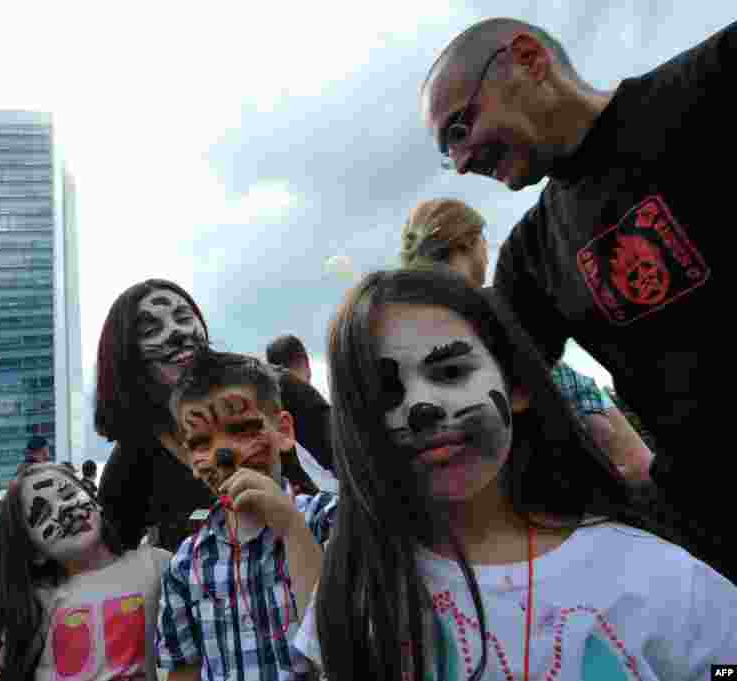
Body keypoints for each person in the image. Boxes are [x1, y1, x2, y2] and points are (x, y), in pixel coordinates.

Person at [293, 268, 737, 681]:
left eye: (450, 372)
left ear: (517, 385)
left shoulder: (655, 577)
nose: (421, 408)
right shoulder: (358, 589)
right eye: (383, 390)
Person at [421, 17, 731, 574]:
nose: (462, 163)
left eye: (460, 128)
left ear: (528, 59)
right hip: (713, 537)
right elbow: (495, 384)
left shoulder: (711, 84)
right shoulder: (532, 258)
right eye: (450, 151)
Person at [400, 197, 654, 484]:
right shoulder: (500, 306)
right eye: (483, 240)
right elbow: (637, 463)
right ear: (469, 242)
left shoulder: (408, 327)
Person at [94, 279, 332, 553]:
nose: (176, 332)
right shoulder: (134, 459)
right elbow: (109, 556)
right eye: (151, 329)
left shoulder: (273, 386)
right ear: (126, 354)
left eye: (183, 317)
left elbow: (359, 461)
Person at [157, 349, 336, 681]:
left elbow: (342, 648)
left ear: (283, 432)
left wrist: (290, 526)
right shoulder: (185, 566)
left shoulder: (331, 524)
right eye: (201, 441)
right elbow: (184, 672)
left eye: (240, 429)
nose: (223, 454)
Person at [0, 462, 171, 681]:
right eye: (42, 514)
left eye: (67, 493)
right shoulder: (35, 601)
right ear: (35, 552)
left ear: (94, 501)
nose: (63, 509)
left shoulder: (155, 566)